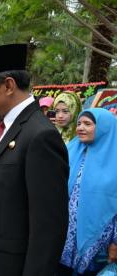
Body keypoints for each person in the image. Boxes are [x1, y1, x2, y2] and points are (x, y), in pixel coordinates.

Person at [0, 44, 69, 276]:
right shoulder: (3, 122)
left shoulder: (41, 136)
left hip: (7, 266)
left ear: (8, 86)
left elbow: (48, 227)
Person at [58, 108, 117, 275]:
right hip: (66, 236)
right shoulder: (71, 150)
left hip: (100, 243)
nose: (80, 128)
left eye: (87, 124)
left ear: (104, 128)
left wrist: (116, 243)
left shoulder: (114, 158)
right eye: (79, 123)